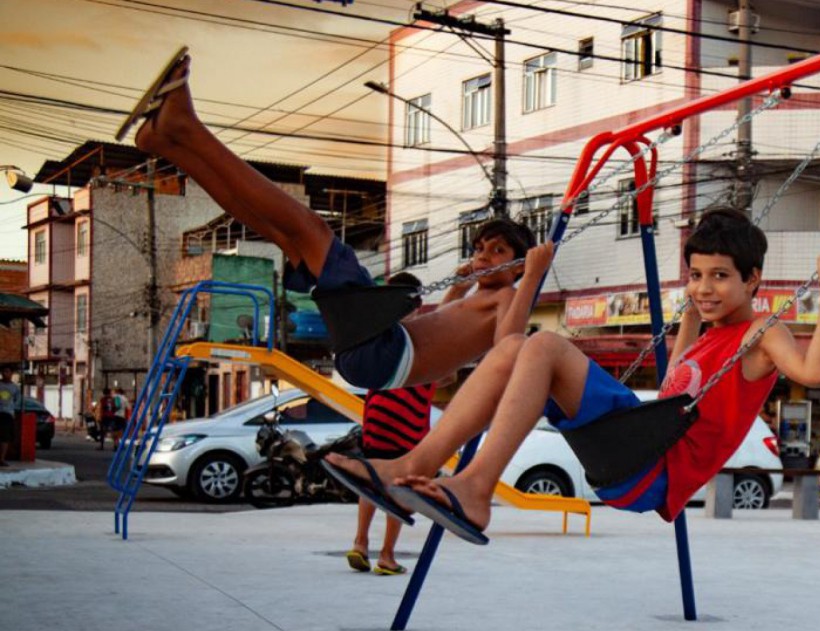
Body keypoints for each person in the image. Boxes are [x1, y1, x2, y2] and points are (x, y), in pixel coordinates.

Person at [328, 207, 820, 539]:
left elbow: (818, 371)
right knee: (512, 349)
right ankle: (410, 466)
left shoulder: (761, 334)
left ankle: (475, 489)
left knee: (545, 345)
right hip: (629, 452)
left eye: (720, 277)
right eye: (696, 275)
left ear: (753, 279)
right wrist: (691, 314)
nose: (704, 287)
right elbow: (674, 391)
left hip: (651, 470)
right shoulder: (709, 333)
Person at [120, 49, 553, 392]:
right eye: (480, 247)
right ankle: (170, 142)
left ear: (518, 265)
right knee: (289, 236)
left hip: (383, 352)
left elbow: (508, 348)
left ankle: (186, 128)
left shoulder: (510, 299)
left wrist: (531, 278)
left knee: (313, 229)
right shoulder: (479, 298)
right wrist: (459, 284)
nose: (484, 256)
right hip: (373, 354)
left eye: (498, 251)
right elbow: (442, 327)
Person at [345, 272, 439, 576]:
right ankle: (386, 556)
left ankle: (360, 543)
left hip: (377, 418)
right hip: (407, 424)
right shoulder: (422, 333)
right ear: (418, 302)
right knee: (399, 486)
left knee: (371, 478)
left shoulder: (381, 331)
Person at [0, 366, 19, 467]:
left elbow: (16, 400)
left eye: (7, 371)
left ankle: (1, 459)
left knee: (5, 437)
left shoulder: (15, 388)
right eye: (3, 371)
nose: (5, 373)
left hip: (7, 414)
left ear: (11, 373)